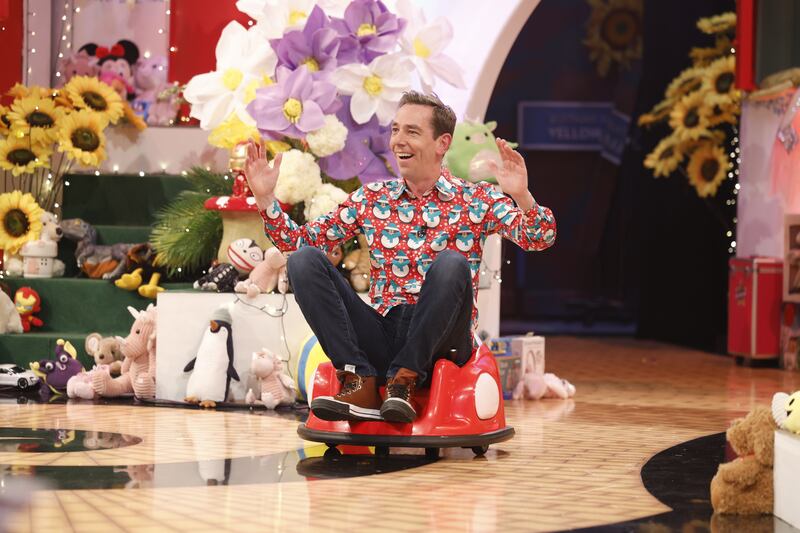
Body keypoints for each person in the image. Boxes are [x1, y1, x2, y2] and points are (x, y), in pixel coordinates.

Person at [244, 91, 556, 424]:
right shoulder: (372, 198)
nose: (398, 141)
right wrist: (265, 200)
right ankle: (358, 377)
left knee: (452, 263)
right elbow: (297, 242)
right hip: (384, 331)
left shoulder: (476, 199)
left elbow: (539, 238)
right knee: (305, 260)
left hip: (444, 340)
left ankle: (404, 381)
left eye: (412, 131)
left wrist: (521, 195)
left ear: (442, 143)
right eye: (395, 130)